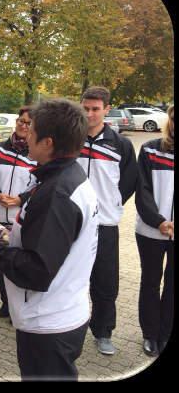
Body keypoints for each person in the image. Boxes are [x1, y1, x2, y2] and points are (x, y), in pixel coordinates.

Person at [0, 98, 99, 381]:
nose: (26, 134)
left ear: (49, 142)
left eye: (32, 129)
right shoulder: (66, 177)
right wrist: (1, 234)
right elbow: (46, 242)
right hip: (62, 313)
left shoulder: (56, 193)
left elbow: (36, 271)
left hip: (48, 323)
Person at [77, 86, 138, 356]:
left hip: (105, 225)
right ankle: (71, 328)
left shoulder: (120, 144)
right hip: (72, 224)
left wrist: (112, 204)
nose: (89, 114)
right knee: (72, 279)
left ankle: (103, 332)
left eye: (95, 109)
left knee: (105, 282)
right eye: (86, 108)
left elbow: (129, 181)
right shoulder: (70, 139)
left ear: (106, 110)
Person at [0, 106, 37, 320]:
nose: (23, 125)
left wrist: (22, 198)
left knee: (17, 265)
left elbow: (41, 186)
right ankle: (5, 301)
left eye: (29, 123)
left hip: (20, 221)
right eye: (21, 121)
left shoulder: (37, 154)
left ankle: (18, 307)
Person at [135, 105, 174, 357]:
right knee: (150, 281)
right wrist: (159, 221)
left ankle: (165, 333)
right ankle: (150, 334)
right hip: (151, 230)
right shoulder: (151, 149)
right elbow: (143, 190)